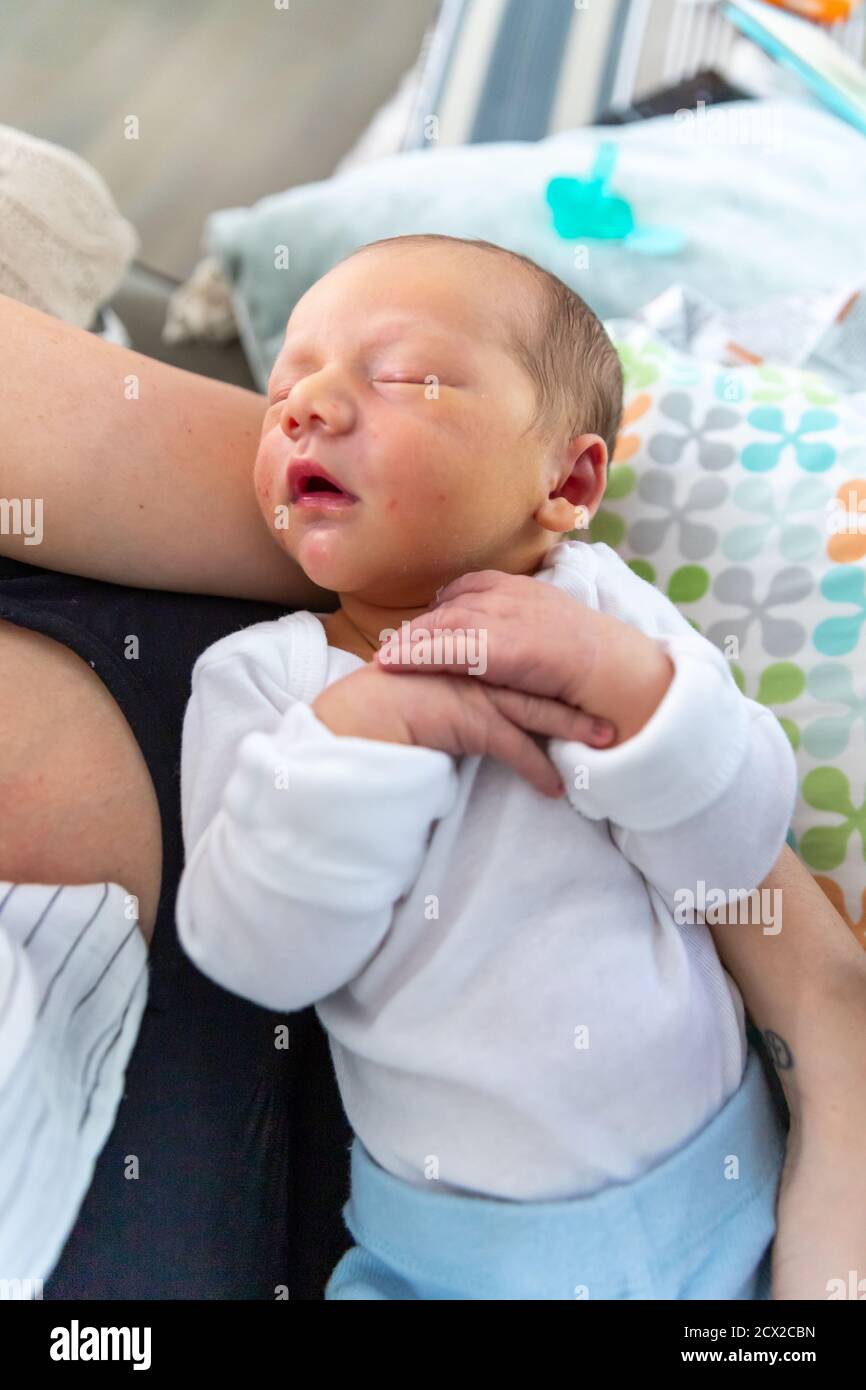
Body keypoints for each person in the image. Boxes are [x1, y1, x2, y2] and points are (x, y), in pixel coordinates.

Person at [0, 275, 864, 1301]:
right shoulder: (269, 685)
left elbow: (727, 852)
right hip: (441, 1260)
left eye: (402, 374)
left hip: (724, 1199)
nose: (304, 405)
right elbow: (254, 953)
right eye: (282, 390)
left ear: (569, 483)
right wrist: (362, 739)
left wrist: (631, 694)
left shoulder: (596, 609)